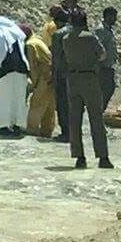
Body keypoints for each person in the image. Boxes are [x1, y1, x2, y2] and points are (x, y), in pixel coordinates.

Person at [62, 9, 113, 169]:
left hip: (73, 79)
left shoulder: (65, 38)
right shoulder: (90, 37)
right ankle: (102, 157)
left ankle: (79, 156)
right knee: (96, 118)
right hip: (89, 78)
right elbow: (102, 55)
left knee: (75, 119)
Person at [0, 16, 30, 136]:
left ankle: (3, 126)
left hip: (5, 71)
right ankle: (18, 125)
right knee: (18, 99)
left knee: (4, 99)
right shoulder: (18, 34)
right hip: (22, 71)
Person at [21, 24, 56, 138]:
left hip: (43, 76)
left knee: (36, 103)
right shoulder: (38, 40)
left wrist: (35, 83)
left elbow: (32, 66)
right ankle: (47, 130)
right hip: (52, 75)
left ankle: (32, 129)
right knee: (49, 104)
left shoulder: (30, 45)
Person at [51, 9, 72, 142]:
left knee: (62, 104)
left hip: (62, 75)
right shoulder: (77, 31)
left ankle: (66, 133)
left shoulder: (58, 35)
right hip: (75, 75)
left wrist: (54, 75)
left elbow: (57, 58)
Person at [94, 7, 120, 111]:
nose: (115, 19)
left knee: (109, 89)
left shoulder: (108, 29)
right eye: (114, 17)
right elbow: (97, 46)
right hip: (103, 67)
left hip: (109, 65)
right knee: (106, 90)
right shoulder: (101, 30)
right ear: (108, 16)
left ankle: (100, 112)